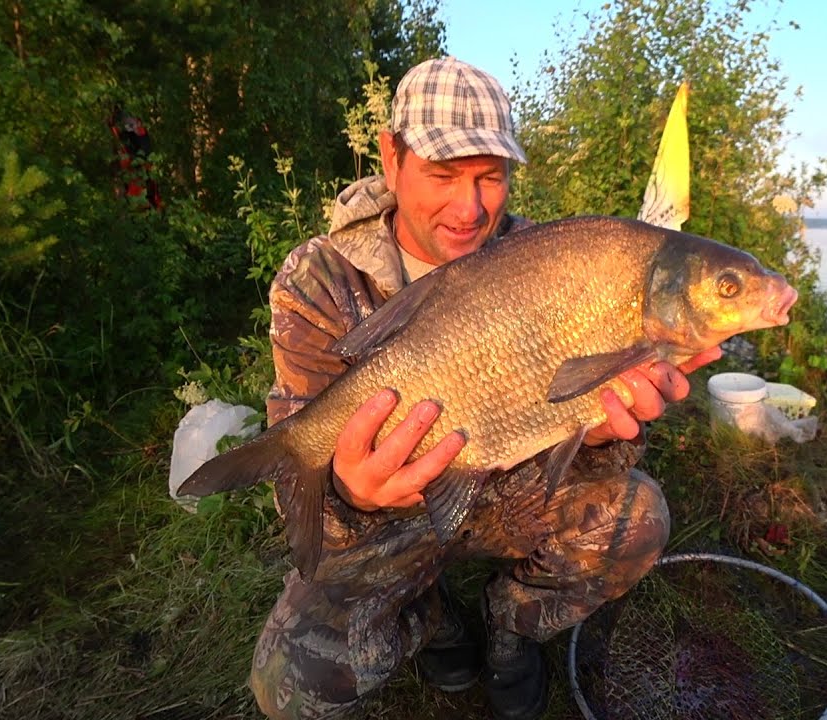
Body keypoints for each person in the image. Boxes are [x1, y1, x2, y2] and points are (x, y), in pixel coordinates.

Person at [251, 56, 720, 720]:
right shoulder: (318, 280)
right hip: (388, 524)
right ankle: (432, 618)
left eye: (490, 177)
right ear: (391, 157)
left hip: (506, 497)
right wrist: (353, 497)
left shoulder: (546, 263)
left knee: (636, 516)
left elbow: (575, 440)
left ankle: (510, 629)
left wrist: (609, 435)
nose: (469, 208)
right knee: (287, 688)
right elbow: (303, 500)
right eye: (443, 175)